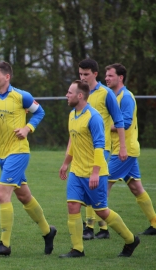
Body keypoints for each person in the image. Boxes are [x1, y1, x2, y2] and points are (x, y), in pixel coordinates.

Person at [0, 61, 56, 256]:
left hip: (19, 151)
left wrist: (27, 128)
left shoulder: (22, 96)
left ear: (7, 77)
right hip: (1, 154)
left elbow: (39, 112)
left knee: (2, 195)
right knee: (24, 196)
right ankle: (48, 232)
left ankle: (4, 245)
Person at [59, 80, 140, 258]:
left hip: (95, 172)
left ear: (80, 96)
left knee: (101, 211)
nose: (67, 95)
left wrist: (95, 172)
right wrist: (66, 163)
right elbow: (73, 142)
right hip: (76, 171)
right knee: (72, 206)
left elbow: (99, 145)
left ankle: (130, 239)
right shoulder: (72, 114)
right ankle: (77, 249)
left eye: (69, 92)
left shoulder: (93, 117)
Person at [78, 58, 127, 240]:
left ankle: (90, 227)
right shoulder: (79, 92)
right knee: (87, 186)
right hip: (83, 149)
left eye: (86, 74)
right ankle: (102, 228)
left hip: (102, 147)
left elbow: (119, 120)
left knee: (93, 183)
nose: (82, 77)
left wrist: (122, 147)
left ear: (95, 74)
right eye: (80, 74)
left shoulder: (106, 93)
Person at [105, 63, 156, 235]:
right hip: (123, 150)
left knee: (103, 183)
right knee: (136, 188)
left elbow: (125, 123)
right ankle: (155, 223)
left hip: (123, 150)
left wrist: (103, 126)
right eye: (106, 75)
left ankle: (100, 227)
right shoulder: (112, 96)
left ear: (120, 77)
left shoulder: (126, 97)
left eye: (110, 75)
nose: (107, 78)